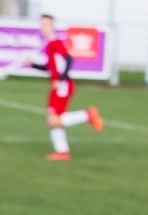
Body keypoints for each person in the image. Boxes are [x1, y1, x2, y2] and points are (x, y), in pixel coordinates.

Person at [35, 14, 102, 161]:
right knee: (52, 120)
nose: (43, 27)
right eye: (42, 24)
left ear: (52, 26)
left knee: (54, 120)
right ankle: (62, 152)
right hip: (57, 85)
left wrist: (61, 79)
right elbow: (50, 67)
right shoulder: (49, 44)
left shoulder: (55, 42)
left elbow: (69, 59)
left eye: (46, 24)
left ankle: (87, 115)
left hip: (62, 86)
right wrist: (33, 65)